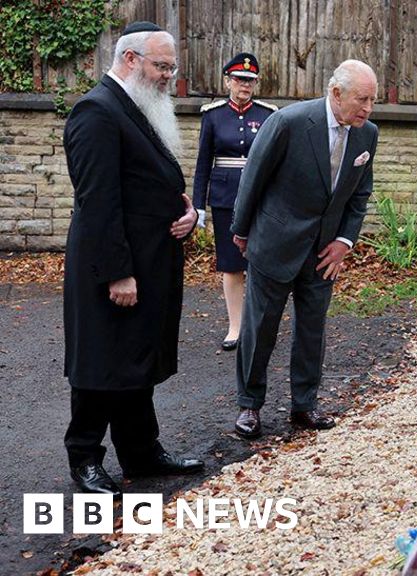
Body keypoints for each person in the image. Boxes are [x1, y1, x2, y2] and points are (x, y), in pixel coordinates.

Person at [62, 21, 204, 496]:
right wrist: (118, 272)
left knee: (135, 360)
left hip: (149, 261)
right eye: (162, 66)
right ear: (130, 59)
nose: (169, 76)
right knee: (102, 362)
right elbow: (97, 200)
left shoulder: (137, 105)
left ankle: (140, 452)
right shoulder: (96, 111)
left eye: (171, 67)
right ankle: (84, 457)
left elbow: (149, 181)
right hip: (112, 268)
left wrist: (188, 213)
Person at [231, 60, 378, 438]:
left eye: (373, 100)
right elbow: (253, 177)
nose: (368, 108)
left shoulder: (367, 135)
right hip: (274, 243)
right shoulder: (290, 122)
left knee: (312, 330)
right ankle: (250, 406)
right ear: (336, 93)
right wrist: (241, 230)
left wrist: (344, 242)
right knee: (260, 328)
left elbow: (359, 195)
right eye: (362, 99)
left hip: (323, 253)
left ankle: (304, 406)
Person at [192, 53, 277, 351]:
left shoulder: (268, 115)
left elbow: (276, 163)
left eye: (250, 80)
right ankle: (236, 327)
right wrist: (198, 205)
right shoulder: (213, 115)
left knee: (260, 263)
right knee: (231, 264)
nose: (245, 85)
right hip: (225, 198)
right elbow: (203, 163)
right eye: (240, 80)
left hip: (260, 199)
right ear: (228, 81)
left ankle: (259, 326)